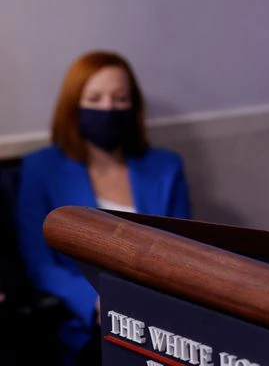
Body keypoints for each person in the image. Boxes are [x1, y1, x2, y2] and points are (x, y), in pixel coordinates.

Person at [17, 51, 191, 365]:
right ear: (73, 105)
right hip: (89, 324)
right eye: (95, 99)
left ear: (134, 106)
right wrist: (97, 302)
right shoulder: (41, 169)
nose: (108, 108)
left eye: (120, 98)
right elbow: (40, 265)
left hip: (164, 317)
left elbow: (185, 251)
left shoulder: (166, 166)